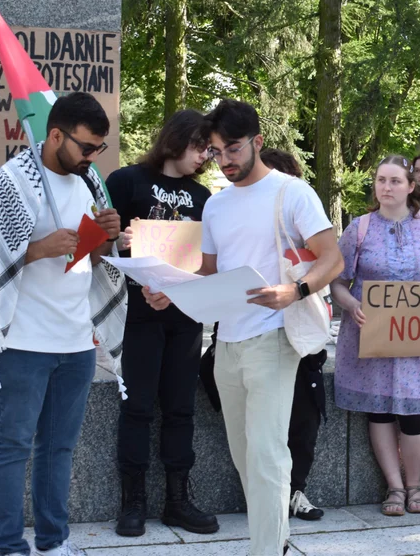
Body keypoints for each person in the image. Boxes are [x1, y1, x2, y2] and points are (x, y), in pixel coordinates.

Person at [144, 100, 343, 556]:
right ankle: (278, 541)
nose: (224, 160)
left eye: (231, 148)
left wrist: (296, 291)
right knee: (244, 458)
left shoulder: (292, 192)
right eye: (215, 151)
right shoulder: (216, 205)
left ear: (256, 142)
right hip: (226, 345)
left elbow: (333, 258)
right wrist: (168, 290)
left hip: (274, 337)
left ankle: (267, 550)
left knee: (268, 455)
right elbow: (208, 276)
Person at [0, 92, 126, 556]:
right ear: (54, 135)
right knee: (12, 445)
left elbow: (92, 261)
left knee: (59, 449)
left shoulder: (89, 184)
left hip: (75, 339)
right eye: (86, 147)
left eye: (98, 150)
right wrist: (36, 249)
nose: (92, 158)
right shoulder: (11, 183)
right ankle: (9, 547)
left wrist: (106, 237)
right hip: (21, 339)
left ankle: (53, 542)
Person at [331, 155, 420, 516]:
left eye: (394, 181)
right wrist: (349, 305)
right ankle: (394, 487)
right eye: (380, 180)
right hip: (370, 334)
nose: (386, 187)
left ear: (410, 186)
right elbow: (338, 283)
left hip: (419, 340)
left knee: (414, 414)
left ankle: (415, 484)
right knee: (379, 412)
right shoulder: (358, 228)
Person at [107, 110, 218, 537]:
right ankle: (132, 502)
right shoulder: (127, 181)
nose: (205, 156)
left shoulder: (203, 197)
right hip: (137, 314)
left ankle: (178, 500)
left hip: (185, 316)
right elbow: (95, 246)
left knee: (180, 408)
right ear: (177, 139)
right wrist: (117, 240)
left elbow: (209, 263)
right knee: (136, 408)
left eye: (210, 150)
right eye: (200, 146)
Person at [259, 147, 327, 522]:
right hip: (253, 331)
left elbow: (330, 260)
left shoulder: (304, 208)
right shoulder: (234, 207)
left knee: (304, 417)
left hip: (300, 331)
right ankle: (268, 492)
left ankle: (295, 489)